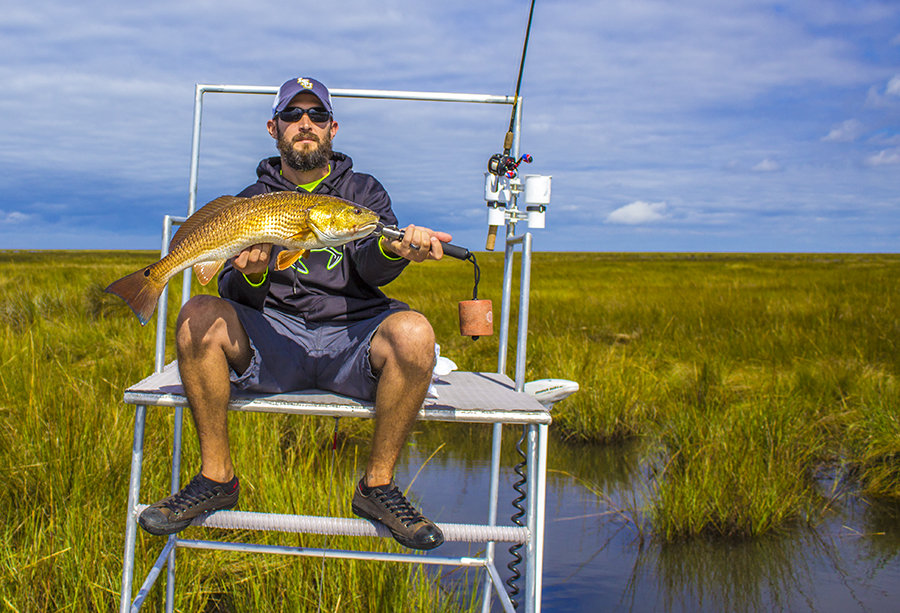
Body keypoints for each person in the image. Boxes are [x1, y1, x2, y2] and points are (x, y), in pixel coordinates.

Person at [137, 77, 450, 551]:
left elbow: (370, 263)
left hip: (352, 337)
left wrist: (399, 252)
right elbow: (231, 292)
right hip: (275, 341)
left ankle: (378, 486)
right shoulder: (251, 199)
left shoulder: (362, 192)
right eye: (293, 115)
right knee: (197, 313)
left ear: (333, 128)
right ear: (273, 127)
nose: (306, 124)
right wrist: (255, 274)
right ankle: (217, 477)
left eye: (317, 115)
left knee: (415, 331)